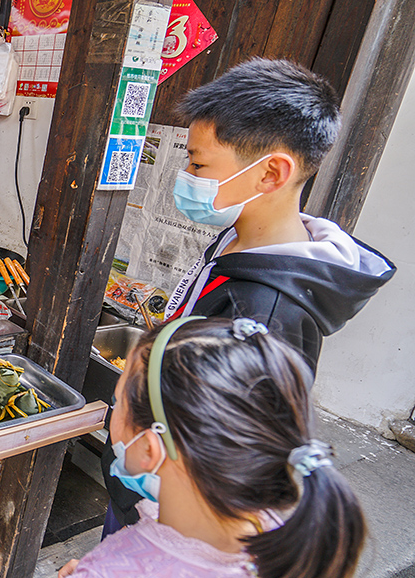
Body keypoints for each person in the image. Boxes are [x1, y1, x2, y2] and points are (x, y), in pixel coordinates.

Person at [104, 59, 394, 532]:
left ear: (271, 173)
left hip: (172, 508)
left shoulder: (267, 313)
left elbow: (233, 465)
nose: (187, 174)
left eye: (198, 163)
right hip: (145, 472)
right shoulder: (237, 237)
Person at [60, 317, 366, 578]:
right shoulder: (287, 537)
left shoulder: (109, 569)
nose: (115, 408)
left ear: (150, 449)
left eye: (118, 401)